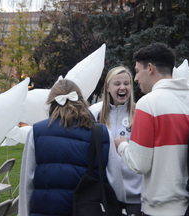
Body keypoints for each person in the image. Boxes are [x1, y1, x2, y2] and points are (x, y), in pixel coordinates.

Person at [114, 43, 189, 216]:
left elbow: (139, 163)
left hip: (160, 209)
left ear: (150, 68)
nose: (135, 79)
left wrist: (122, 146)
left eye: (137, 70)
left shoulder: (148, 104)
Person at [19, 79, 124, 216]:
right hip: (88, 209)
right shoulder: (102, 133)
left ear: (52, 102)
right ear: (81, 100)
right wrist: (120, 206)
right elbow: (115, 179)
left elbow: (27, 181)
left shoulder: (36, 132)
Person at [90, 66, 142, 216]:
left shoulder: (140, 113)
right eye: (117, 83)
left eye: (126, 83)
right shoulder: (96, 115)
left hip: (135, 198)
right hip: (106, 196)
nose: (122, 87)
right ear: (107, 88)